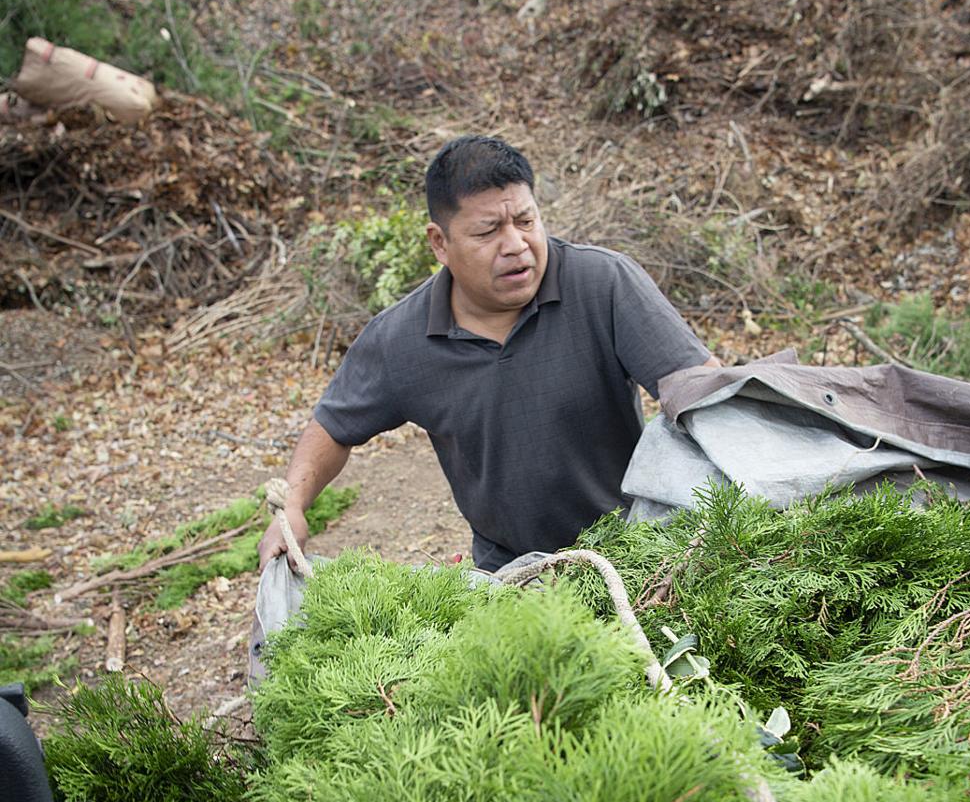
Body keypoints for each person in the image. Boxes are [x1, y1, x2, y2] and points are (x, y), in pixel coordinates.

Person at [257, 134, 718, 573]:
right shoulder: (400, 339)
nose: (516, 245)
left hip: (636, 549)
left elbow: (701, 391)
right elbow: (333, 428)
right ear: (440, 243)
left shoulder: (603, 284)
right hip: (510, 569)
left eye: (525, 220)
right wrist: (293, 505)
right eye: (488, 231)